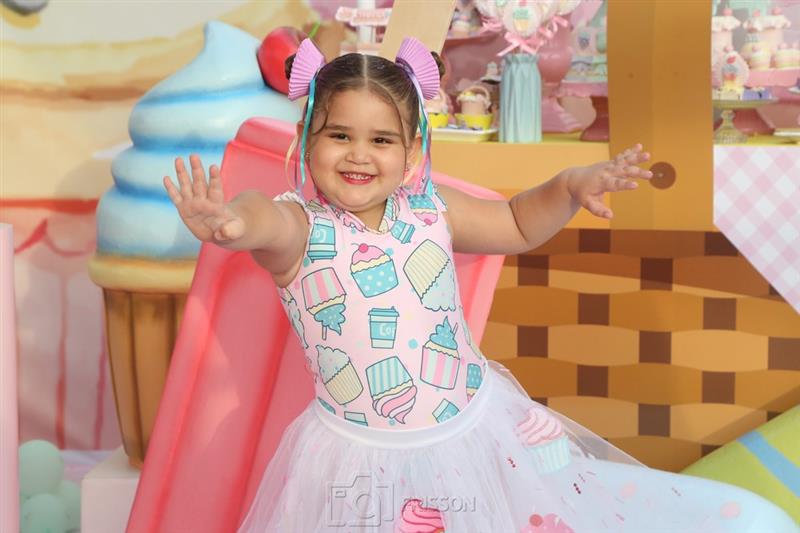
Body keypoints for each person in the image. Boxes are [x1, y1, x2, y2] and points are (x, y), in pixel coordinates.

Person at [162, 38, 781, 533]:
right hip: (362, 456)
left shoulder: (430, 208)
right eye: (339, 135)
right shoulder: (300, 226)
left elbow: (516, 222)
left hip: (471, 428)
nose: (358, 154)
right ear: (308, 140)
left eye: (381, 140)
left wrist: (567, 186)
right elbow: (259, 218)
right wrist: (229, 222)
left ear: (411, 152)